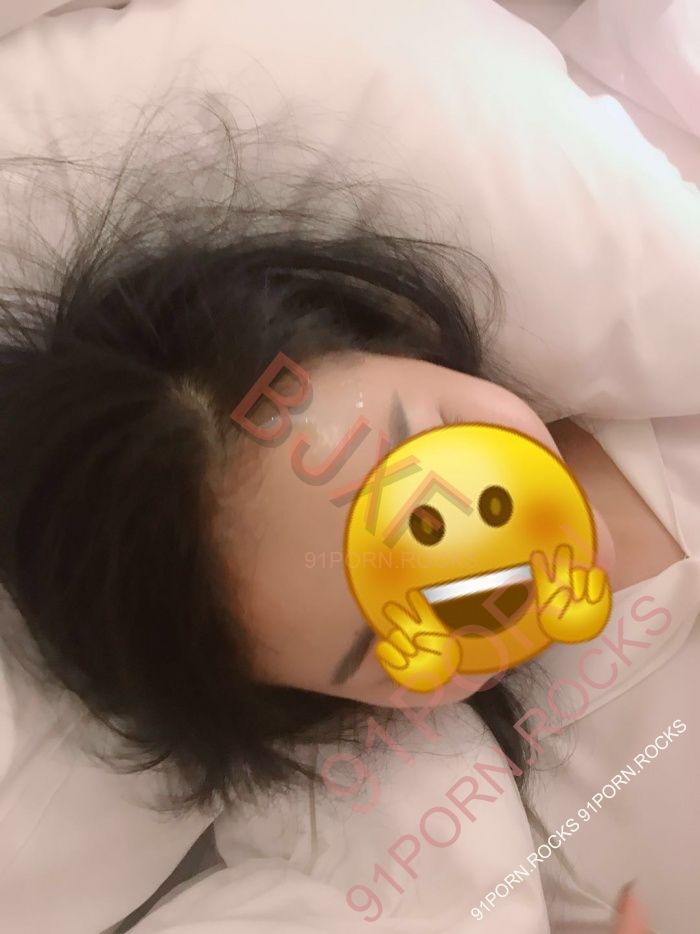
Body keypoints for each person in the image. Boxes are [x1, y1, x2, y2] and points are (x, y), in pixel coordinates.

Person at [0, 116, 692, 934]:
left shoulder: (665, 369)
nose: (485, 567)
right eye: (382, 638)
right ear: (330, 706)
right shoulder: (568, 850)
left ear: (404, 339)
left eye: (431, 459)